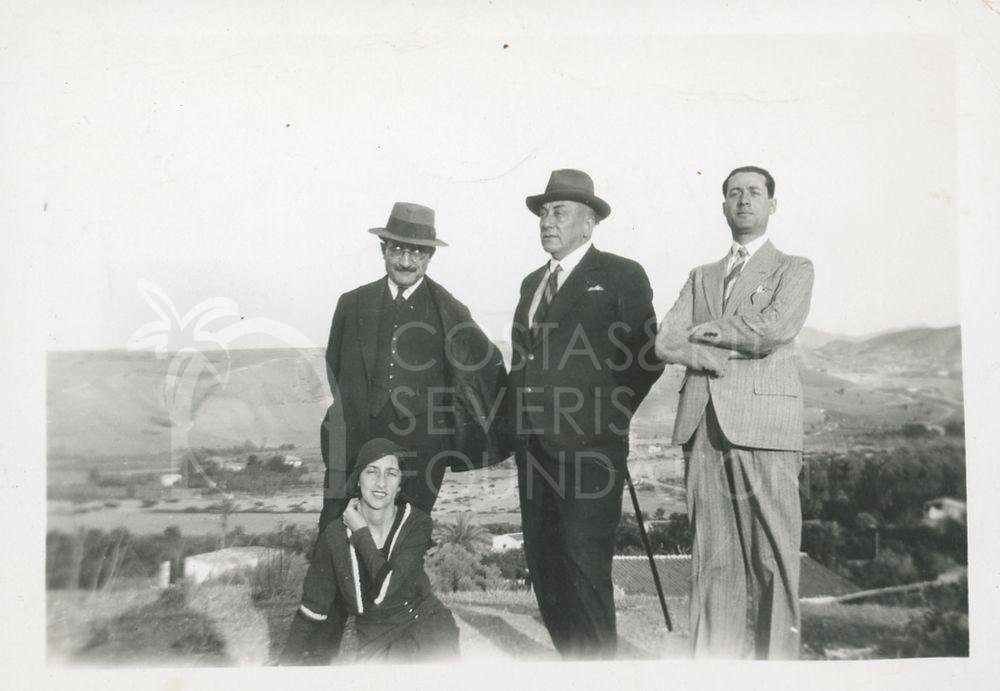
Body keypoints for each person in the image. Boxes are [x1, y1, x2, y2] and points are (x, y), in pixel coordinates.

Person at [654, 165, 814, 659]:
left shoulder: (794, 267)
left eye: (755, 192)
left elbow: (773, 328)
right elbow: (665, 339)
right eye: (734, 193)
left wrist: (706, 331)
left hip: (766, 429)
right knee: (712, 561)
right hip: (703, 424)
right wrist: (705, 348)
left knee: (772, 557)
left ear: (772, 204)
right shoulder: (700, 275)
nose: (744, 200)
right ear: (723, 206)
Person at [508, 169, 664, 658]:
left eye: (559, 212)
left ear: (589, 223)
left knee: (583, 561)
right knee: (546, 563)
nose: (547, 222)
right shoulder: (532, 283)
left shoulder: (620, 274)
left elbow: (647, 357)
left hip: (591, 450)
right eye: (544, 213)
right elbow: (522, 363)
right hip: (533, 449)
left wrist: (606, 417)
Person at [319, 201, 510, 530]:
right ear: (383, 250)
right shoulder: (352, 304)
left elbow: (485, 370)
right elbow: (335, 368)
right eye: (397, 250)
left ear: (430, 256)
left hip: (421, 451)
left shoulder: (450, 310)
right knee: (337, 533)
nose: (406, 262)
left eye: (417, 253)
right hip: (354, 443)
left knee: (407, 540)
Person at [281, 438, 460, 663]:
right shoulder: (335, 535)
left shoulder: (416, 523)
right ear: (358, 479)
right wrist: (283, 665)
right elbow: (313, 606)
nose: (381, 483)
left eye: (391, 473)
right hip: (375, 637)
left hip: (426, 626)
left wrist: (360, 532)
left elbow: (387, 587)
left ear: (400, 484)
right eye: (372, 471)